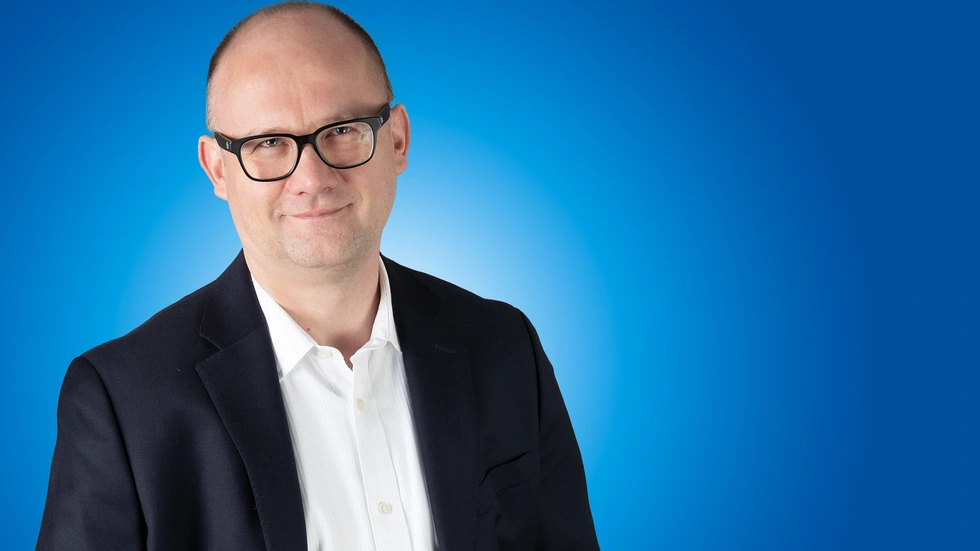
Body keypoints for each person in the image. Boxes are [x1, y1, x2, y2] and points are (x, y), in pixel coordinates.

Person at [36, 2, 599, 550]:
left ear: (397, 140)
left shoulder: (504, 346)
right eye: (268, 143)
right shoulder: (120, 401)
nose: (312, 176)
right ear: (217, 169)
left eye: (343, 129)